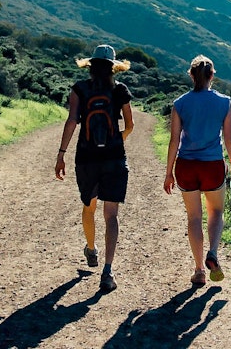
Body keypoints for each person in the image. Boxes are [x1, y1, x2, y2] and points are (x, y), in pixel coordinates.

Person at [55, 44, 134, 292]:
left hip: (86, 158)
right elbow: (130, 125)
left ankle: (91, 249)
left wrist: (61, 154)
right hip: (114, 158)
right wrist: (114, 141)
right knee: (111, 216)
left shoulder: (80, 89)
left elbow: (71, 121)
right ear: (113, 68)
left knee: (89, 207)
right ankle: (108, 272)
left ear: (90, 65)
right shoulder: (120, 90)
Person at [163, 54, 231, 286]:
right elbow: (229, 138)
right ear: (212, 76)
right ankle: (213, 253)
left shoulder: (179, 103)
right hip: (213, 166)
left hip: (186, 166)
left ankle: (198, 270)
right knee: (216, 212)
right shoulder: (224, 102)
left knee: (194, 217)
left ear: (191, 75)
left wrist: (168, 172)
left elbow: (174, 140)